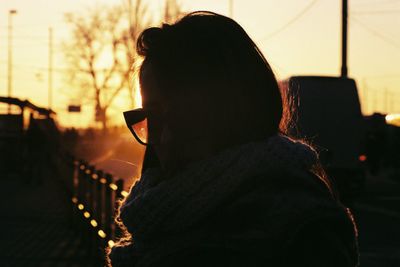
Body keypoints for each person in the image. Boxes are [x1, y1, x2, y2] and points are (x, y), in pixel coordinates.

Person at [109, 11, 359, 267]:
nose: (167, 136)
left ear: (235, 109)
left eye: (185, 114)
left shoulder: (305, 231)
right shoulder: (155, 212)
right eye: (151, 116)